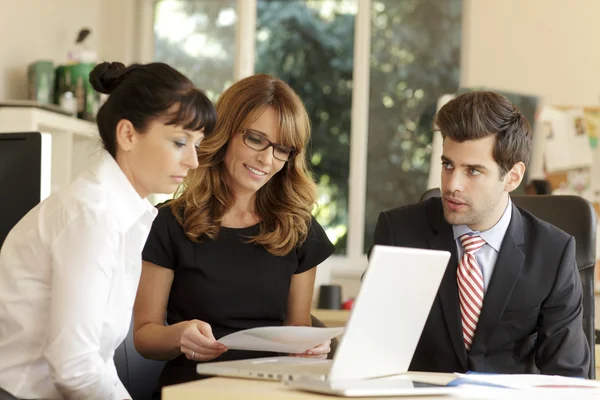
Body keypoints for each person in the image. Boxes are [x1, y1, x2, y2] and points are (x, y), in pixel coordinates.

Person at [0, 61, 216, 399]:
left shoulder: (120, 211)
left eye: (197, 144)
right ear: (128, 134)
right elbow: (75, 367)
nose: (193, 161)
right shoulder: (92, 214)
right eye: (179, 142)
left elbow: (94, 359)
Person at [133, 74, 335, 392]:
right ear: (225, 132)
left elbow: (298, 330)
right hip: (195, 388)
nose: (267, 160)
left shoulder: (298, 228)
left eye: (282, 149)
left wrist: (311, 348)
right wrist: (178, 336)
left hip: (273, 390)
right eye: (256, 139)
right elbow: (145, 336)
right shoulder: (169, 223)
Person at [372, 91, 590, 377]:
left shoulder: (553, 252)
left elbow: (568, 376)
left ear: (512, 176)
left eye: (473, 171)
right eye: (447, 165)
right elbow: (372, 349)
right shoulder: (399, 232)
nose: (453, 185)